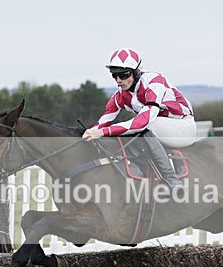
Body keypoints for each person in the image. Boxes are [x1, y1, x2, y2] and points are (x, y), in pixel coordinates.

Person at [82, 47, 197, 187]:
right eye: (114, 75)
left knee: (143, 126)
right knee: (130, 131)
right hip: (159, 129)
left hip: (183, 127)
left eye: (123, 75)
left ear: (137, 72)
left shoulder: (155, 82)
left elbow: (144, 121)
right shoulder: (119, 96)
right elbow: (102, 123)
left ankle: (171, 178)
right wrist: (87, 135)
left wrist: (104, 132)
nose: (118, 80)